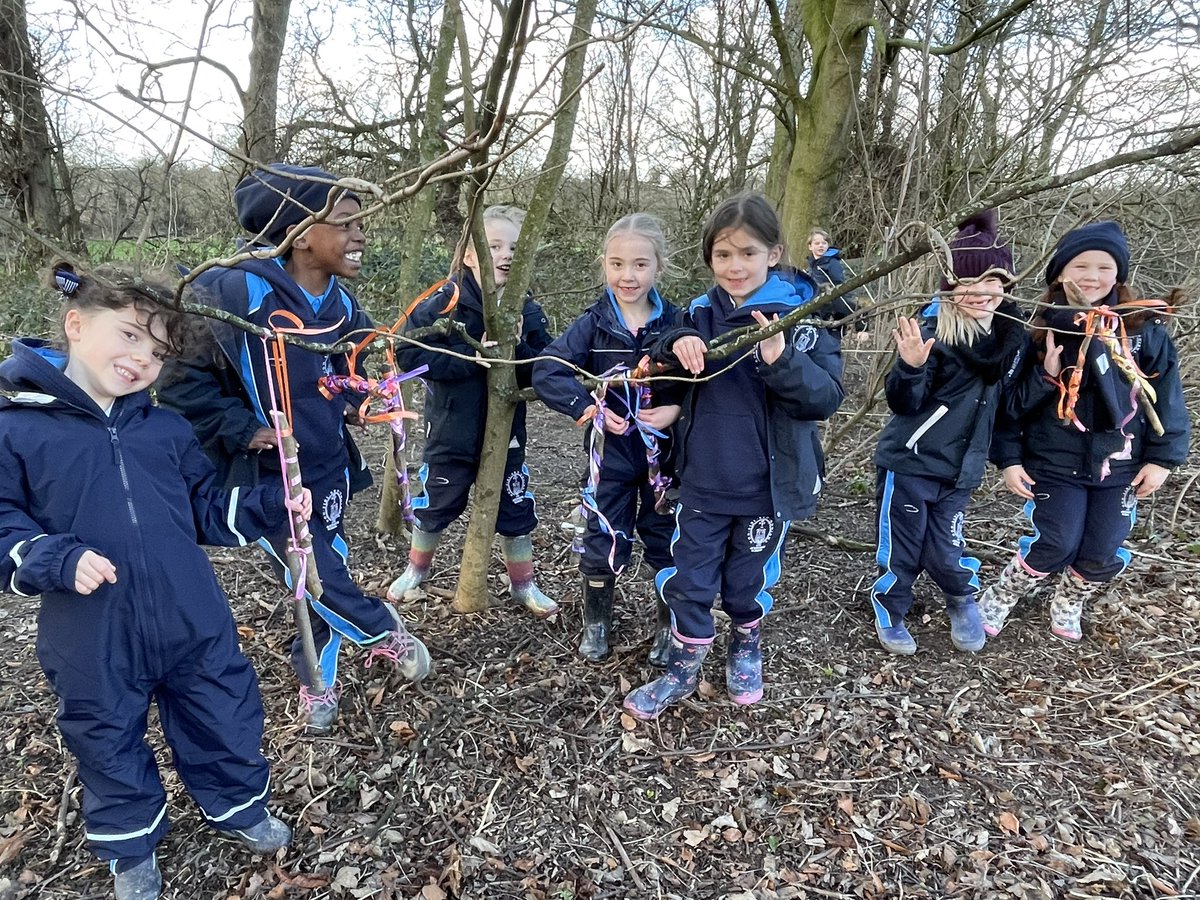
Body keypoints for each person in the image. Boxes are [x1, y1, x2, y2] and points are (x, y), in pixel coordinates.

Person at [0, 265, 308, 900]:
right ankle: (130, 841)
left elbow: (201, 506)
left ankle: (237, 805)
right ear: (76, 323)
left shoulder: (164, 427)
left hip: (190, 611)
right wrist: (52, 557)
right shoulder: (16, 428)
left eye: (158, 350)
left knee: (222, 707)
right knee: (104, 728)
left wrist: (271, 507)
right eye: (131, 336)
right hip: (91, 628)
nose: (143, 359)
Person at [157, 164, 431, 737]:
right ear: (301, 233)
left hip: (324, 464)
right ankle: (383, 631)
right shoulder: (232, 292)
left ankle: (315, 677)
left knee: (321, 563)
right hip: (265, 474)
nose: (360, 236)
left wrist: (360, 401)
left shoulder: (340, 303)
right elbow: (182, 382)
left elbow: (348, 365)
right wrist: (244, 426)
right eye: (347, 222)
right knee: (310, 565)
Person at [622, 192, 845, 720]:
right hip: (702, 481)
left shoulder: (803, 316)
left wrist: (781, 356)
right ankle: (683, 666)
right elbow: (659, 355)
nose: (735, 266)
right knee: (690, 579)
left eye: (747, 253)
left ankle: (745, 644)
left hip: (766, 488)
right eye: (723, 255)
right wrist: (673, 345)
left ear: (774, 252)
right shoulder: (700, 312)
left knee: (747, 582)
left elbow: (826, 398)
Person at [979, 221, 1190, 641]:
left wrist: (1163, 458)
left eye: (1104, 268)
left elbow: (1167, 398)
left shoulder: (1144, 332)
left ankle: (1070, 598)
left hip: (1120, 463)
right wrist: (1008, 458)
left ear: (1119, 275)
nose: (1092, 277)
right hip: (1053, 461)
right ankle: (1004, 592)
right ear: (1059, 272)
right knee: (1056, 541)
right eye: (1080, 266)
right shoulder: (1038, 330)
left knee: (1102, 548)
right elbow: (1008, 406)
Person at [386, 205, 558, 617]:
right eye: (494, 245)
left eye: (514, 246)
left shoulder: (526, 307)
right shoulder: (445, 301)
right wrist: (472, 356)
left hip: (507, 437)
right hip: (451, 432)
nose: (505, 254)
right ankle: (415, 571)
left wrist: (519, 349)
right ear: (470, 253)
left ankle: (524, 584)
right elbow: (408, 353)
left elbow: (546, 367)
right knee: (435, 504)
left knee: (515, 508)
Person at [870, 210, 1026, 655]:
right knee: (902, 545)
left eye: (993, 281)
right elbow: (903, 403)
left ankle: (961, 599)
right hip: (913, 462)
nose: (980, 292)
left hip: (962, 468)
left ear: (1007, 285)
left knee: (946, 547)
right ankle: (891, 607)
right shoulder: (934, 331)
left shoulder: (1010, 339)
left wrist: (1047, 373)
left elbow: (1012, 405)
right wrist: (911, 367)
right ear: (950, 287)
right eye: (967, 282)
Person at [532, 213, 682, 664]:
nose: (627, 275)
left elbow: (702, 379)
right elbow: (548, 368)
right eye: (617, 264)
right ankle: (597, 624)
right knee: (602, 533)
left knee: (665, 536)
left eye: (639, 264)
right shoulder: (593, 323)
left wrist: (675, 409)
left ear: (658, 266)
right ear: (604, 265)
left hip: (665, 457)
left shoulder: (677, 320)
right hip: (611, 454)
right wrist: (587, 407)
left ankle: (667, 627)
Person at [806, 227, 867, 338]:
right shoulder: (811, 264)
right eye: (817, 243)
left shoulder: (832, 262)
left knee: (847, 309)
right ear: (810, 246)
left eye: (824, 243)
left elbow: (838, 280)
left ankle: (862, 328)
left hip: (833, 295)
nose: (821, 245)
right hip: (817, 298)